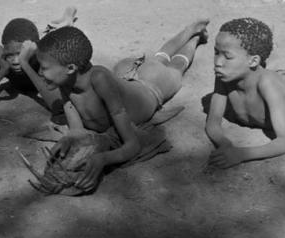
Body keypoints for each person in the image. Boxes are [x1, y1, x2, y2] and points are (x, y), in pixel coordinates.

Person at [35, 19, 209, 191]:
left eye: (44, 68)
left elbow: (132, 146)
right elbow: (77, 131)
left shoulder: (99, 79)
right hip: (127, 80)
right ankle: (191, 33)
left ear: (71, 68)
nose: (40, 73)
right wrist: (70, 138)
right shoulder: (66, 83)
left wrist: (103, 159)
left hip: (152, 88)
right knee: (158, 59)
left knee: (174, 66)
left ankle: (192, 36)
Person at [205, 17, 285, 168]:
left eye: (227, 56)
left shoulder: (267, 84)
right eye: (216, 53)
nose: (218, 62)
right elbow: (212, 123)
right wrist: (225, 144)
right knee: (263, 58)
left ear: (253, 61)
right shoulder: (225, 75)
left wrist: (241, 154)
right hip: (261, 69)